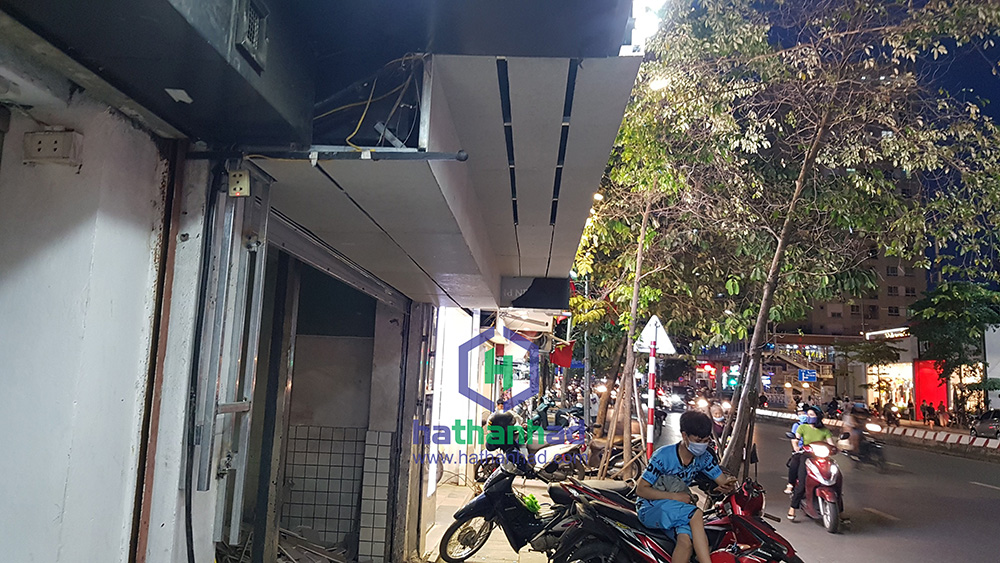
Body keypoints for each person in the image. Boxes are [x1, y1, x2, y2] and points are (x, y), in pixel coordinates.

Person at [636, 411, 737, 563]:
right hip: (650, 507)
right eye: (698, 440)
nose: (702, 445)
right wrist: (674, 497)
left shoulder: (704, 458)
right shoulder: (663, 456)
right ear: (684, 435)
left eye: (706, 440)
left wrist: (727, 485)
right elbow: (641, 490)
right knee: (696, 514)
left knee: (686, 543)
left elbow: (721, 480)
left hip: (678, 509)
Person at [788, 406, 835, 520]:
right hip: (807, 455)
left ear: (818, 416)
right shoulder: (802, 427)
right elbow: (796, 439)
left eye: (812, 415)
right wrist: (796, 447)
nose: (808, 417)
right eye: (808, 415)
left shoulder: (825, 430)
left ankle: (839, 509)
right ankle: (793, 508)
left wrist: (835, 448)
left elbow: (831, 443)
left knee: (835, 477)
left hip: (822, 456)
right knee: (803, 482)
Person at [784, 406, 809, 494]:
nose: (802, 415)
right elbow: (794, 439)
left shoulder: (814, 426)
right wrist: (796, 447)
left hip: (813, 451)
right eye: (800, 414)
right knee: (794, 464)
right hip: (802, 450)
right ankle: (790, 484)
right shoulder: (797, 426)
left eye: (804, 413)